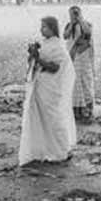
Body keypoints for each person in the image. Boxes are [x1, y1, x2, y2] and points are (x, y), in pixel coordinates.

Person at [18, 16, 77, 166]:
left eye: (44, 27)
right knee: (41, 117)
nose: (41, 29)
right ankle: (44, 148)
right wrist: (32, 54)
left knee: (53, 117)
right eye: (41, 27)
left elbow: (55, 67)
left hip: (51, 87)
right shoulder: (44, 43)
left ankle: (62, 149)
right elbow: (35, 63)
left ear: (52, 28)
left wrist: (38, 58)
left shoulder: (58, 45)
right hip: (40, 84)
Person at [63, 6, 95, 123]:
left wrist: (80, 20)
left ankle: (87, 110)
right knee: (74, 82)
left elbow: (87, 32)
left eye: (76, 13)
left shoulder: (87, 24)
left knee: (86, 82)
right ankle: (76, 110)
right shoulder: (68, 26)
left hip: (84, 58)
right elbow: (65, 36)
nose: (74, 15)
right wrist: (72, 23)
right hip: (73, 57)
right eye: (72, 14)